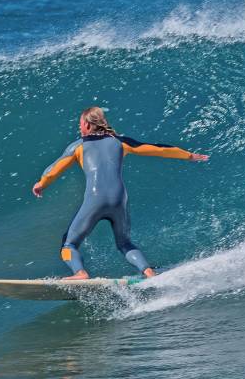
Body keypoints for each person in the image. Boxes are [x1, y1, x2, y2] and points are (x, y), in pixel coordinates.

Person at [32, 107, 209, 280]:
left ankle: (80, 273)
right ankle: (148, 272)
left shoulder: (79, 146)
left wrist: (41, 183)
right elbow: (158, 149)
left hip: (95, 199)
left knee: (69, 244)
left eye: (80, 124)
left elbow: (53, 170)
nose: (79, 127)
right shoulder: (120, 142)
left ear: (87, 124)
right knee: (124, 243)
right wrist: (188, 155)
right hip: (119, 199)